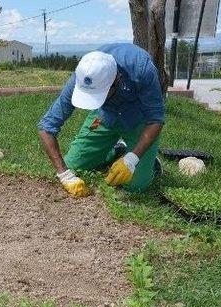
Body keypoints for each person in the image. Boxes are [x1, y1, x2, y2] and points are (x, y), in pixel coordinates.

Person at [38, 43, 165, 197]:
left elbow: (156, 120)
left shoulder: (141, 68)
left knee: (136, 186)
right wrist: (64, 175)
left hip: (139, 120)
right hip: (104, 116)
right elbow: (47, 126)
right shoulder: (85, 74)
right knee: (73, 165)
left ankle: (149, 163)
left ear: (116, 80)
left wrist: (132, 159)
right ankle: (117, 151)